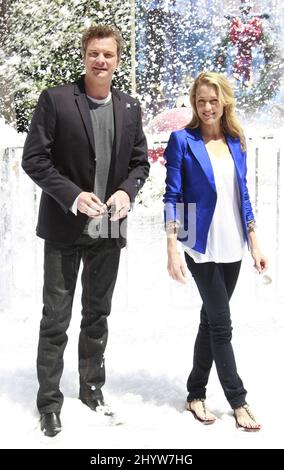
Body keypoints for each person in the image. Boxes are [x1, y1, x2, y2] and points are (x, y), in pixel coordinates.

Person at [22, 24, 149, 437]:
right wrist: (73, 196)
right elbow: (35, 160)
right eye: (94, 53)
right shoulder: (56, 100)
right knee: (55, 319)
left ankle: (92, 390)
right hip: (64, 226)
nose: (101, 61)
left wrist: (129, 192)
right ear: (84, 56)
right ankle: (49, 403)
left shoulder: (130, 107)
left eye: (108, 55)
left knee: (98, 315)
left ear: (117, 60)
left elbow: (140, 163)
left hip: (109, 227)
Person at [164, 71, 268, 431]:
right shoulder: (182, 140)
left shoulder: (237, 140)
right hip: (198, 243)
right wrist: (172, 249)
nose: (207, 107)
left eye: (213, 100)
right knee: (222, 325)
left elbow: (244, 195)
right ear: (194, 103)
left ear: (224, 101)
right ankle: (238, 401)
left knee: (210, 320)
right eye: (201, 101)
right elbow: (173, 197)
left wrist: (254, 241)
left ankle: (195, 392)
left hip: (233, 243)